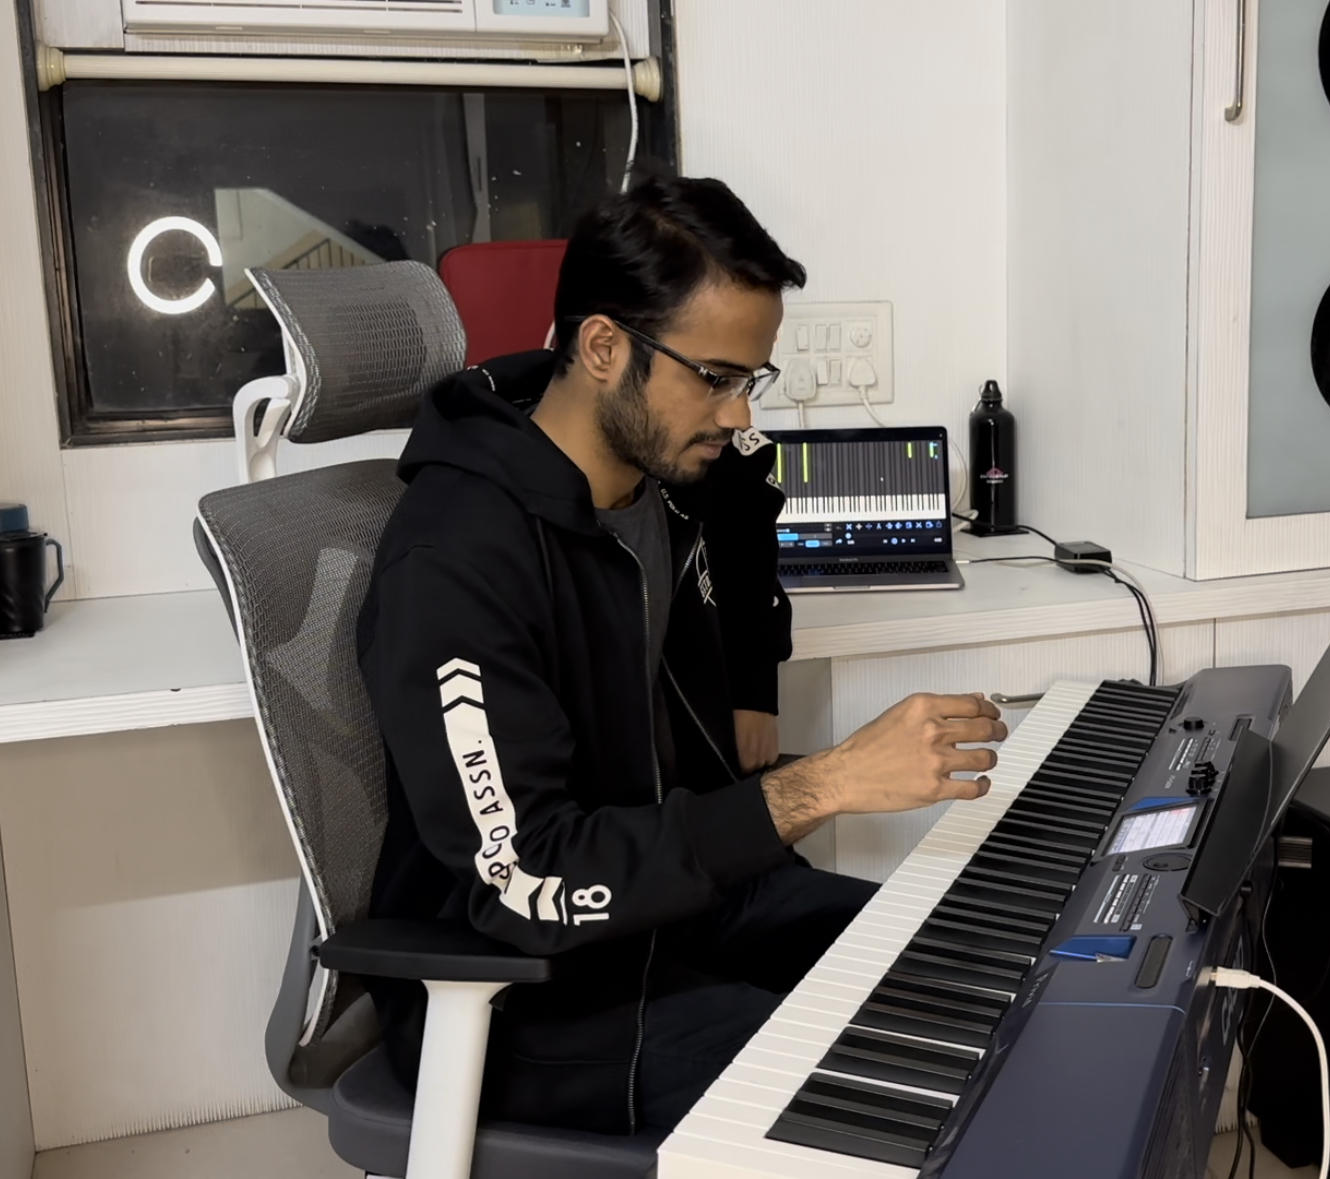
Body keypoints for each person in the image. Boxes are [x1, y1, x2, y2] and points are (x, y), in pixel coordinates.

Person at [357, 172, 1007, 1136]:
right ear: (604, 345)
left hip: (672, 911)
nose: (740, 414)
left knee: (963, 977)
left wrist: (752, 686)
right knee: (878, 1093)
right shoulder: (453, 561)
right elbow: (529, 876)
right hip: (527, 987)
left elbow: (748, 509)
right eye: (715, 378)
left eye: (751, 380)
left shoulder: (659, 468)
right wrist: (818, 786)